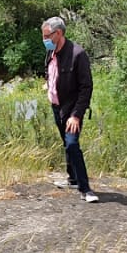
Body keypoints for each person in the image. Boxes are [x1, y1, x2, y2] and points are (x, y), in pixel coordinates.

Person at [43, 14, 97, 203]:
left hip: (72, 110)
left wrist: (76, 115)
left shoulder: (77, 54)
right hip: (56, 107)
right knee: (66, 143)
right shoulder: (51, 52)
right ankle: (72, 179)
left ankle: (86, 189)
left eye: (47, 36)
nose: (45, 40)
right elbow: (51, 73)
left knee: (72, 144)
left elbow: (86, 87)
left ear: (58, 33)